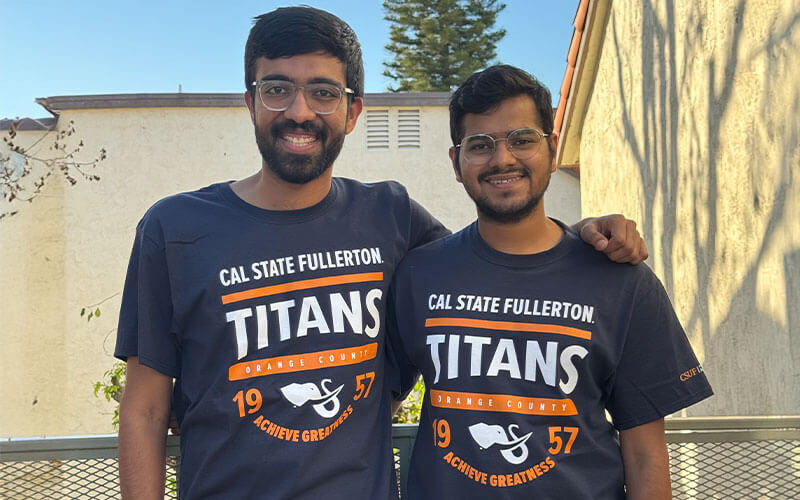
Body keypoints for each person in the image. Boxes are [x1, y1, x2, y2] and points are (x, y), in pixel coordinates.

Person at [115, 7, 648, 500]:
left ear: (352, 112)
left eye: (323, 92)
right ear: (251, 102)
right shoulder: (175, 227)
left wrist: (582, 237)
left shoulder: (390, 215)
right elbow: (143, 408)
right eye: (277, 89)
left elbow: (497, 260)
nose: (300, 111)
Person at [387, 65, 713, 499]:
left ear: (552, 149)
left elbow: (646, 457)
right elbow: (376, 408)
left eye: (522, 140)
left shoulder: (622, 282)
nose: (502, 159)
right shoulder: (419, 275)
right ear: (456, 161)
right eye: (480, 145)